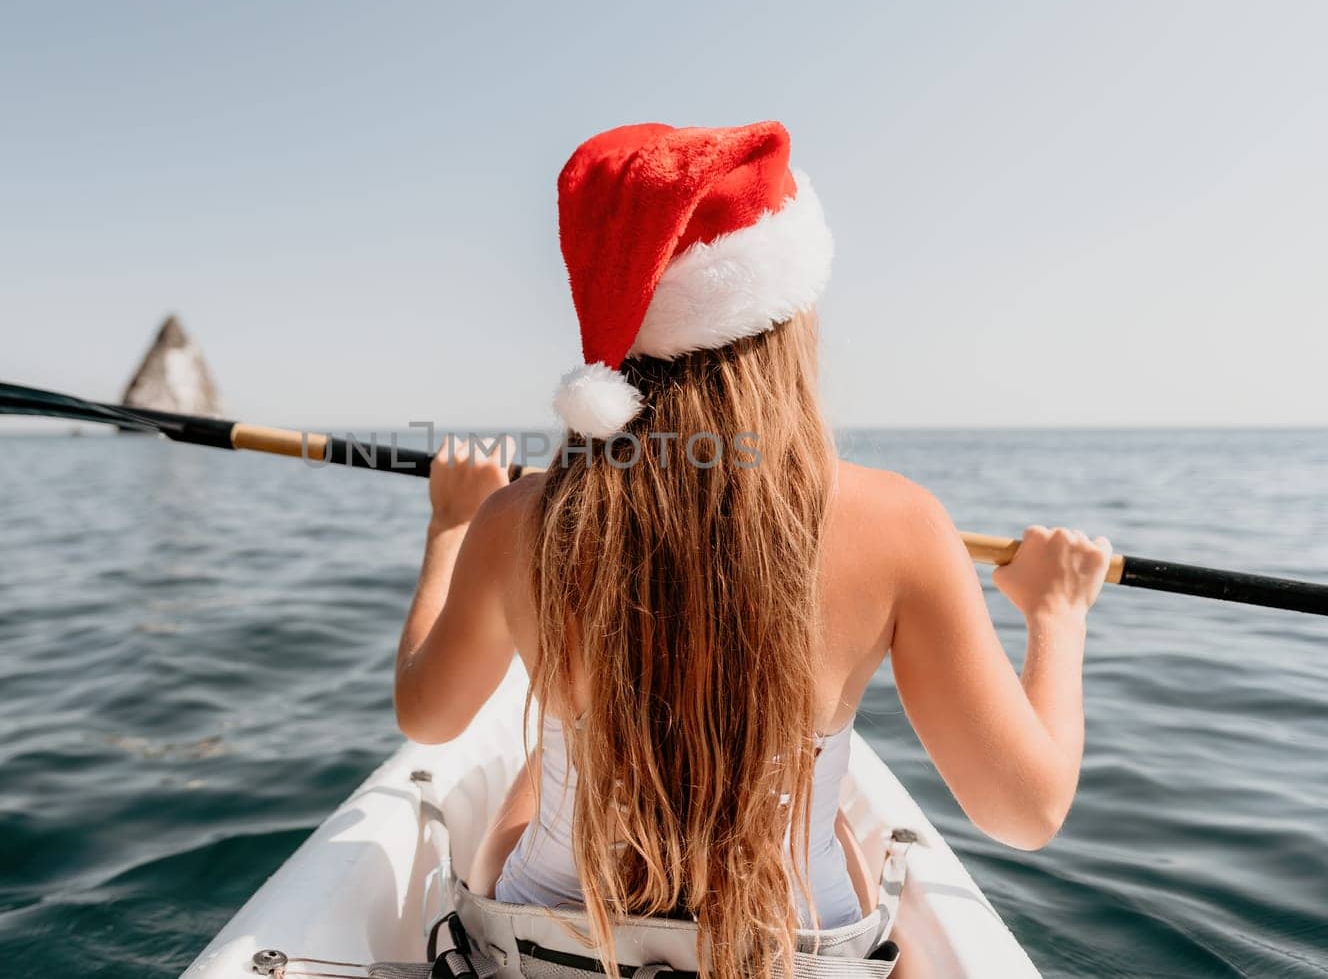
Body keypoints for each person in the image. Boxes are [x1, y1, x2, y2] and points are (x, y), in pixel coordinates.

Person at [393, 121, 1110, 977]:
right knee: (834, 822)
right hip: (791, 956)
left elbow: (426, 716)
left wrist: (450, 530)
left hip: (554, 949)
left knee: (546, 757)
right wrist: (1057, 613)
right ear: (783, 315)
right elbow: (1027, 812)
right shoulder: (902, 525)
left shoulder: (518, 521)